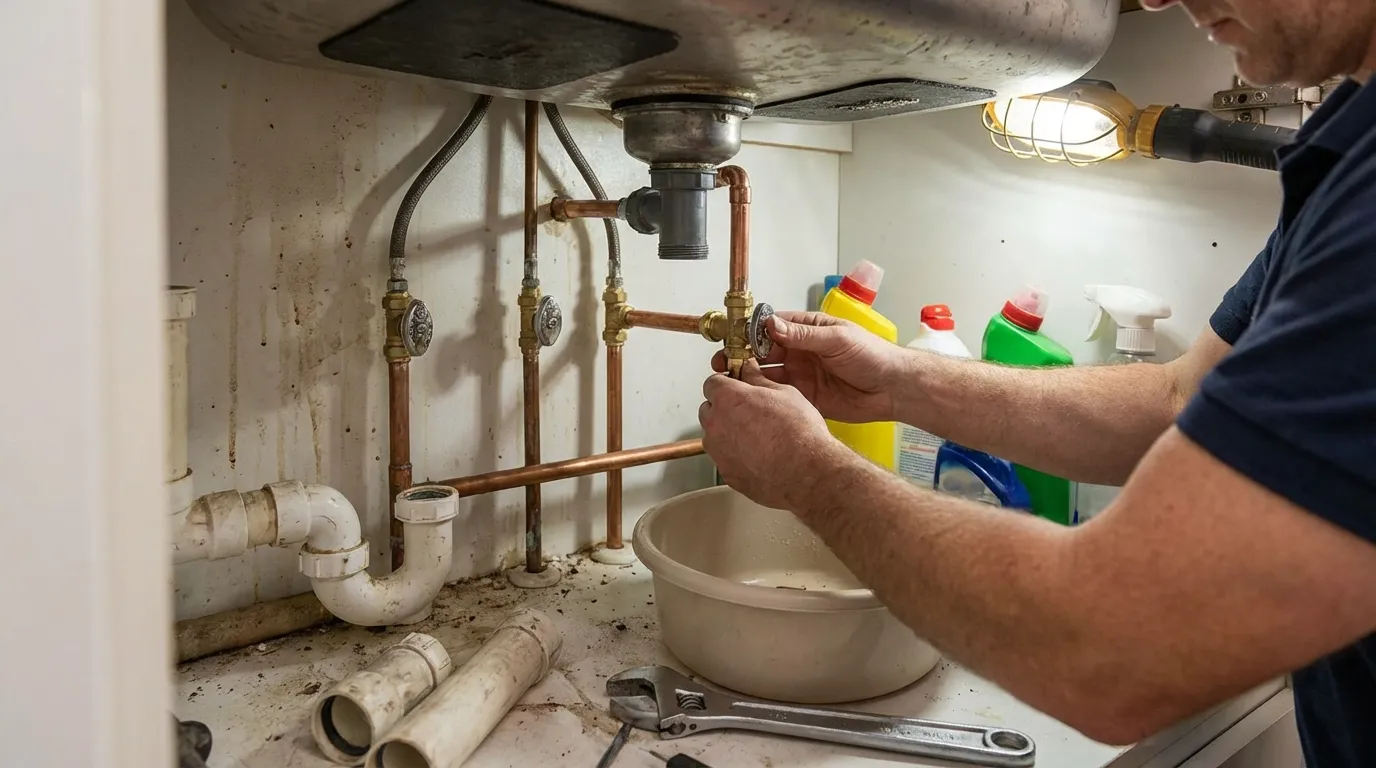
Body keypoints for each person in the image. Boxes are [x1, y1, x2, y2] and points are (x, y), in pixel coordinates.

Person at [697, 1, 1376, 766]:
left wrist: (805, 471)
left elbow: (1110, 653)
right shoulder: (1349, 151)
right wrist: (900, 382)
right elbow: (1180, 399)